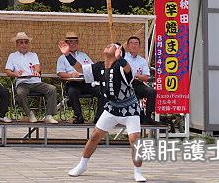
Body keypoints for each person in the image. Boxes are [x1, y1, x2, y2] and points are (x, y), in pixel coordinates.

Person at [59, 41, 146, 182]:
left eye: (112, 45)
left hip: (129, 108)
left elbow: (129, 70)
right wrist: (67, 55)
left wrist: (121, 59)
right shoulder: (99, 66)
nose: (107, 45)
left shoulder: (121, 66)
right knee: (94, 136)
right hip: (112, 108)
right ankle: (82, 165)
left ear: (118, 52)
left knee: (134, 140)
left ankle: (138, 171)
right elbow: (81, 68)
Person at [5, 32, 58, 124]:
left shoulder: (33, 55)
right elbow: (7, 71)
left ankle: (49, 115)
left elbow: (37, 66)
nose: (24, 44)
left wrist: (37, 71)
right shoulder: (12, 56)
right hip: (22, 82)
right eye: (21, 42)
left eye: (26, 42)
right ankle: (29, 113)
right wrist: (15, 74)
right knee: (20, 93)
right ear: (17, 44)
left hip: (35, 81)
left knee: (52, 89)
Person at [56, 32, 104, 124]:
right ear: (66, 44)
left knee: (102, 91)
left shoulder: (84, 55)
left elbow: (92, 68)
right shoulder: (62, 58)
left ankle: (99, 117)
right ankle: (78, 116)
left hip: (86, 82)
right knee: (72, 92)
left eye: (75, 42)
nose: (72, 44)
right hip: (72, 82)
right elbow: (60, 73)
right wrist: (70, 75)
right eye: (70, 42)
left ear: (77, 43)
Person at [125, 36, 156, 125]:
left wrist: (136, 76)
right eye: (131, 43)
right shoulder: (123, 57)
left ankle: (148, 117)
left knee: (152, 92)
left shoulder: (142, 60)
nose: (134, 45)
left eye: (136, 43)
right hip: (124, 84)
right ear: (127, 46)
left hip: (137, 83)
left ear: (139, 46)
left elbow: (146, 77)